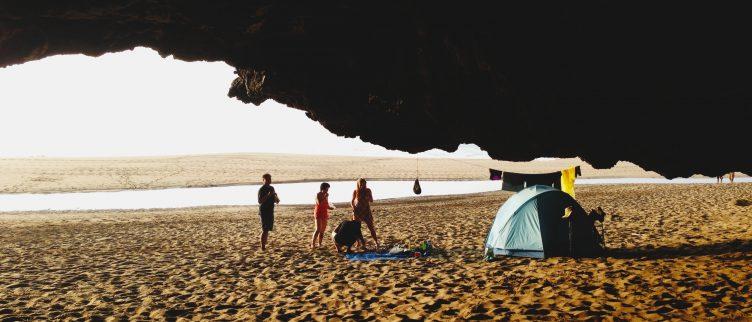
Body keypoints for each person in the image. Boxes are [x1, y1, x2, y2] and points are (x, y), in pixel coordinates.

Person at [351, 178, 379, 248]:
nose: (363, 186)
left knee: (371, 227)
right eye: (361, 184)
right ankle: (358, 242)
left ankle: (376, 242)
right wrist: (353, 207)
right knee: (356, 228)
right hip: (357, 211)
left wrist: (368, 198)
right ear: (358, 185)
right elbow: (352, 201)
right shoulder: (355, 191)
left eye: (364, 184)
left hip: (366, 210)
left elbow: (372, 200)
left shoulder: (368, 190)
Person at [257, 173, 279, 250]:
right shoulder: (262, 189)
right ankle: (263, 246)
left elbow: (276, 200)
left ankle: (264, 245)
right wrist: (268, 195)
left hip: (270, 210)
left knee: (268, 229)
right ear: (263, 180)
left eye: (270, 179)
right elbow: (260, 201)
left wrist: (276, 198)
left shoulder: (272, 188)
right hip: (264, 211)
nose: (269, 180)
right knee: (265, 229)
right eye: (267, 179)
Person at [311, 182, 335, 248]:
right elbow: (319, 203)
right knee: (318, 229)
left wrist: (330, 208)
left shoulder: (326, 195)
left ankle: (320, 244)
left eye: (328, 189)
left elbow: (326, 204)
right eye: (327, 188)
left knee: (322, 230)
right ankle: (312, 244)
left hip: (324, 213)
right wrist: (325, 196)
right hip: (318, 213)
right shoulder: (318, 194)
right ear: (323, 188)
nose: (327, 190)